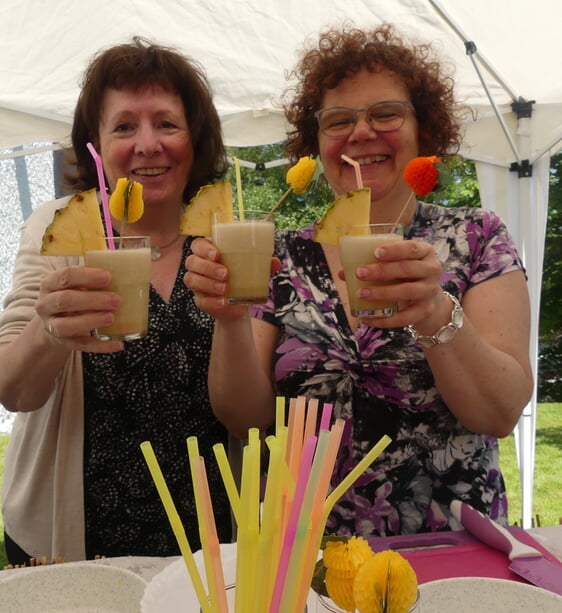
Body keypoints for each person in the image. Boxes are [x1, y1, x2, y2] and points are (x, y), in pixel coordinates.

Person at [184, 24, 534, 537]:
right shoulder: (279, 253)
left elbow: (500, 413)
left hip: (449, 547)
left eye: (386, 114)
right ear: (316, 142)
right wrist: (231, 321)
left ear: (424, 130)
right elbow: (246, 418)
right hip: (308, 550)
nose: (361, 133)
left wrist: (436, 313)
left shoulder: (476, 236)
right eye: (338, 120)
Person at [0, 37, 232, 563]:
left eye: (167, 123)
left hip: (211, 534)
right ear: (96, 146)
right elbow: (12, 388)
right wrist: (50, 331)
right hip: (75, 539)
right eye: (124, 126)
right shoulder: (61, 230)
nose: (147, 144)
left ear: (195, 138)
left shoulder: (224, 234)